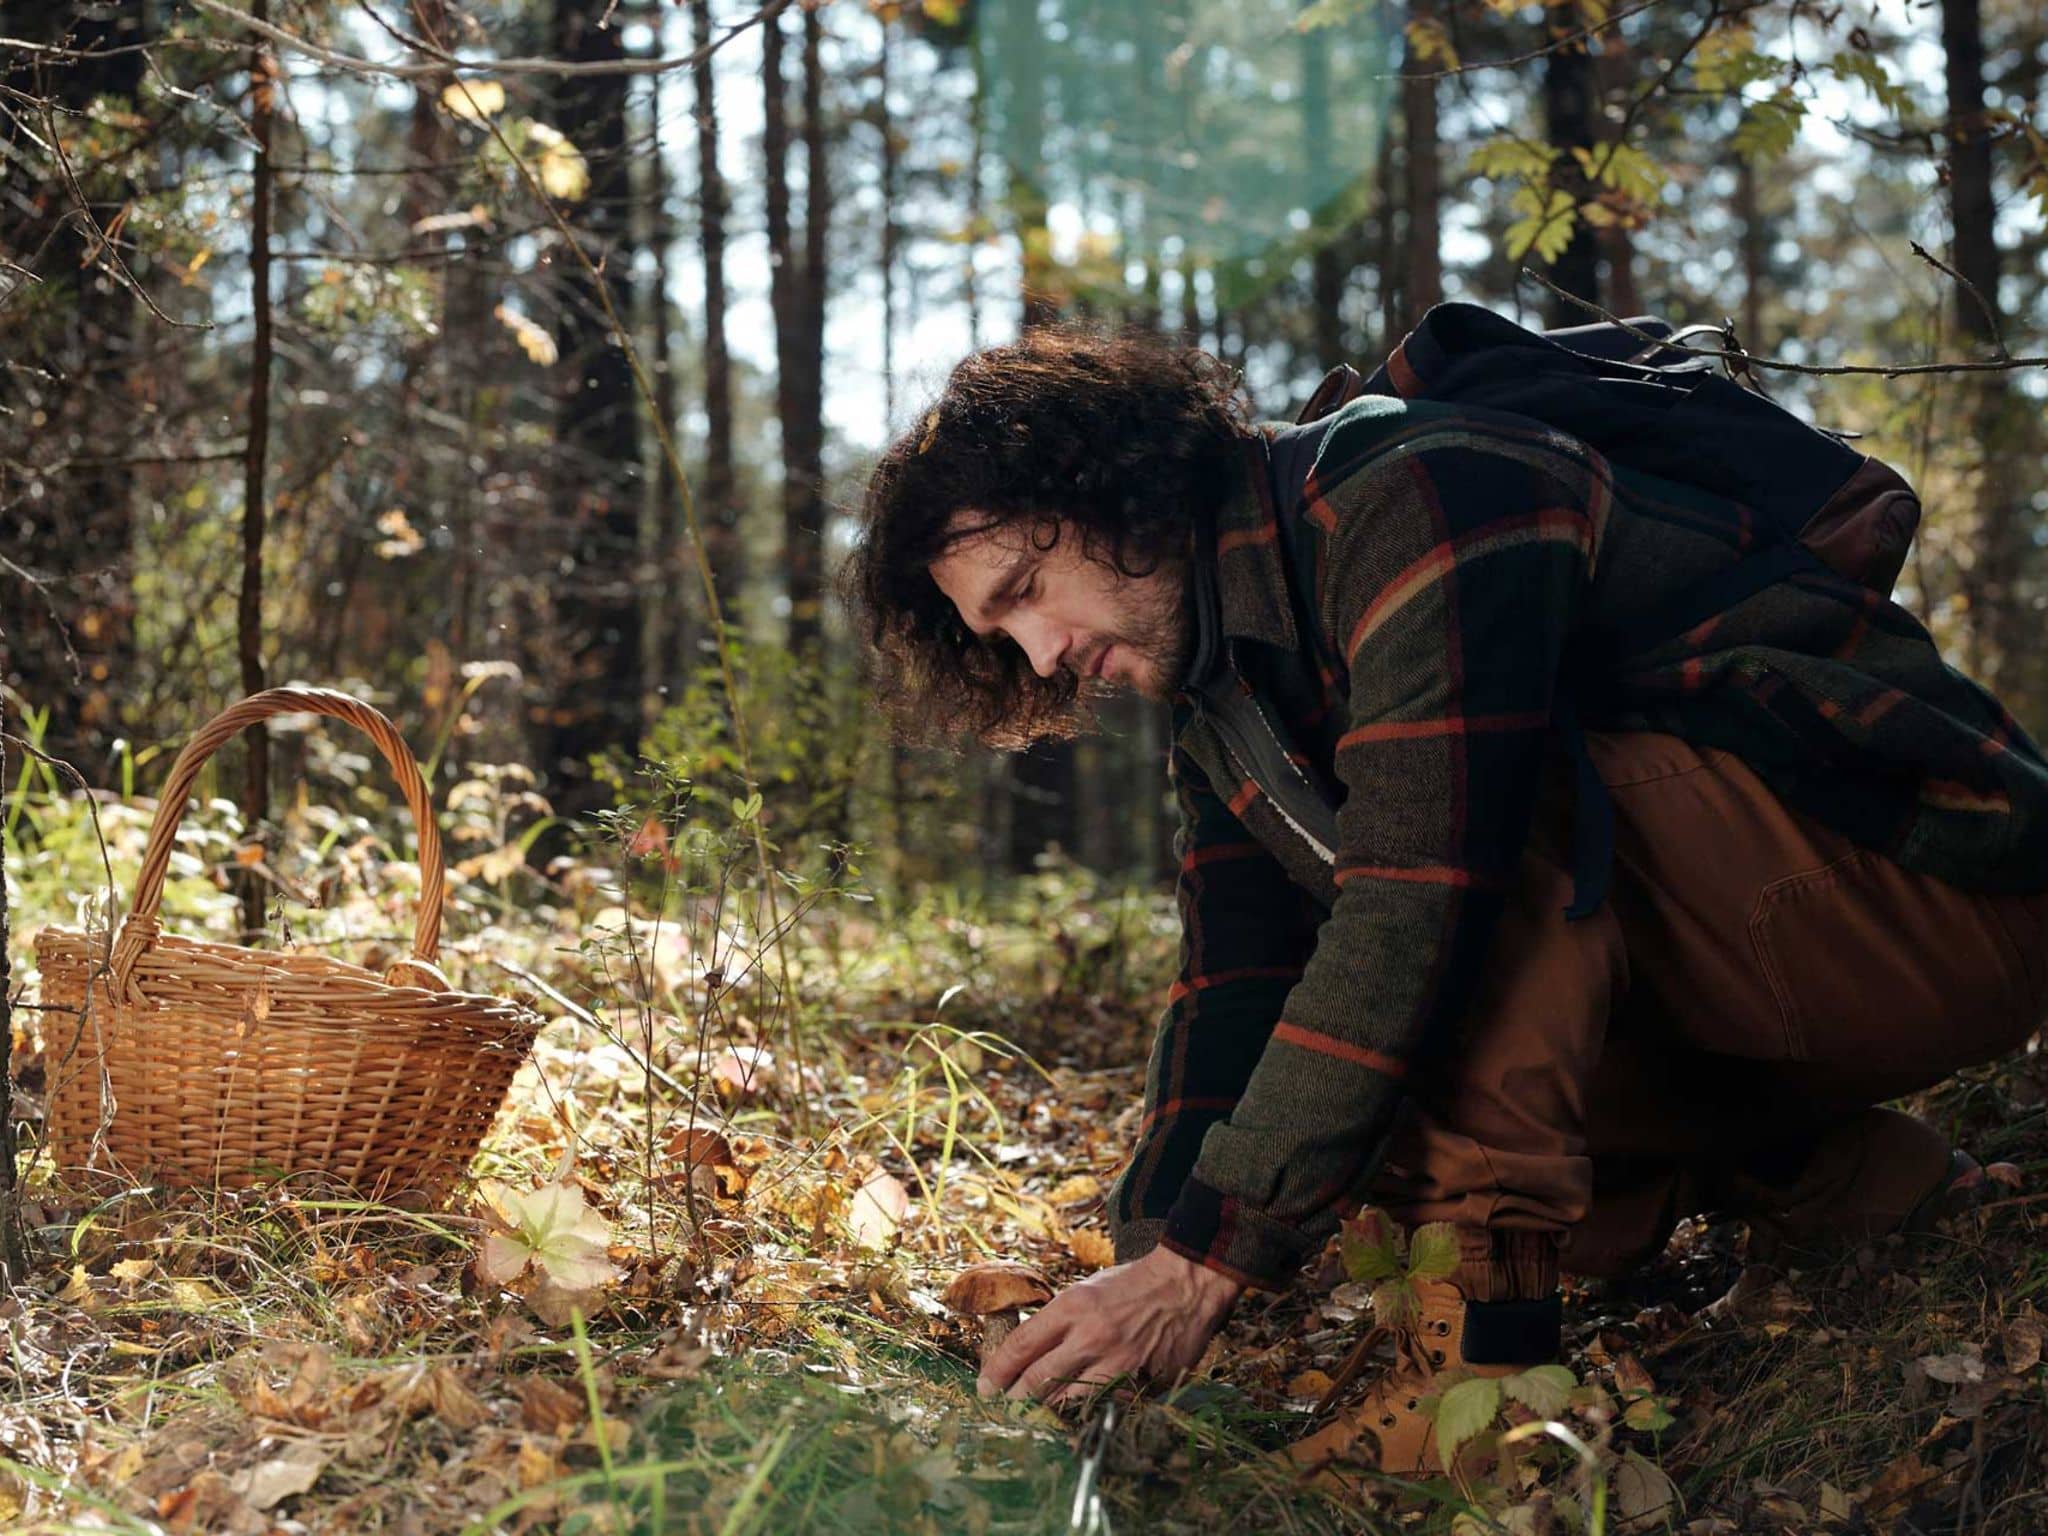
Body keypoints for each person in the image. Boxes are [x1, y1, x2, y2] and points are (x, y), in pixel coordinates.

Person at [844, 321, 2048, 1473]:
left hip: (1939, 900)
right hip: (1767, 981)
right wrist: (1153, 1259)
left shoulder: (1411, 487)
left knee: (1460, 869)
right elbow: (1231, 987)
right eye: (998, 638)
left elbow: (1419, 895)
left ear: (1115, 491)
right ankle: (1849, 1186)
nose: (1041, 654)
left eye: (1025, 588)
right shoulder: (1225, 703)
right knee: (1317, 1100)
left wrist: (1212, 1271)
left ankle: (1489, 1366)